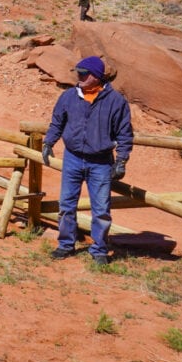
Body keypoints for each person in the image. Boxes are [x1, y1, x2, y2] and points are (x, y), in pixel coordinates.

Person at [42, 56, 133, 265]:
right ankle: (65, 244)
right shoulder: (68, 97)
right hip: (72, 158)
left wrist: (121, 160)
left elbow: (125, 134)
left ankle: (99, 249)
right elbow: (57, 123)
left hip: (101, 162)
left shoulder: (116, 102)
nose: (79, 76)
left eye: (84, 73)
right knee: (66, 205)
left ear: (97, 76)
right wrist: (48, 143)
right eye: (79, 73)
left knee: (101, 210)